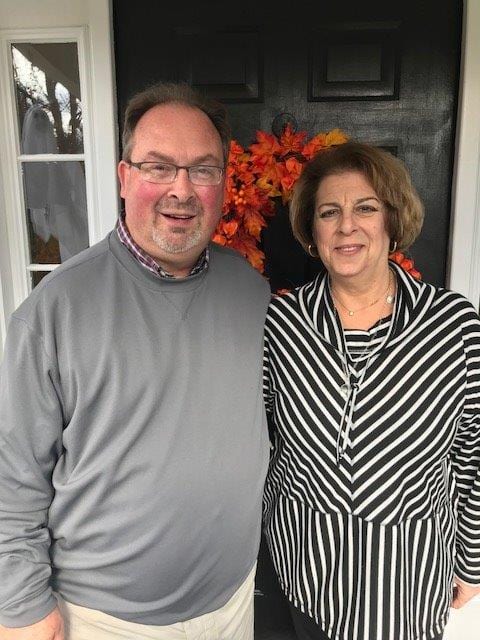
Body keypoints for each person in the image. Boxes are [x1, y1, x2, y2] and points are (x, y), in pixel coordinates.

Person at [0, 83, 271, 640]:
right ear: (125, 177)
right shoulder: (54, 311)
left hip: (234, 603)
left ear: (223, 182)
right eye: (158, 167)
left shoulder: (252, 292)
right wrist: (22, 605)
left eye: (202, 169)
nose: (181, 189)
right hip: (107, 622)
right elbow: (13, 476)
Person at [262, 142, 480, 640]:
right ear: (312, 233)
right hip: (305, 580)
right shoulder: (283, 323)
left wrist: (471, 562)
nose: (346, 226)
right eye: (329, 212)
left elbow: (473, 454)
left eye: (365, 208)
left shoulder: (453, 326)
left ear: (392, 220)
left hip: (408, 590)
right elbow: (266, 440)